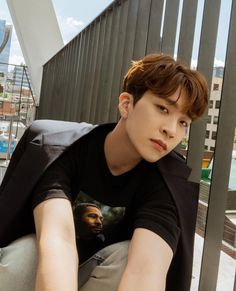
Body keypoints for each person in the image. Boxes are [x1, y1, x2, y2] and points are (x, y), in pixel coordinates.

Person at [0, 53, 208, 291]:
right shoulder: (65, 150)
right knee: (24, 256)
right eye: (162, 108)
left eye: (184, 122)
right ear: (126, 104)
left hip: (100, 276)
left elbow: (146, 271)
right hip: (45, 271)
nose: (171, 130)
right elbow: (58, 241)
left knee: (126, 258)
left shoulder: (167, 183)